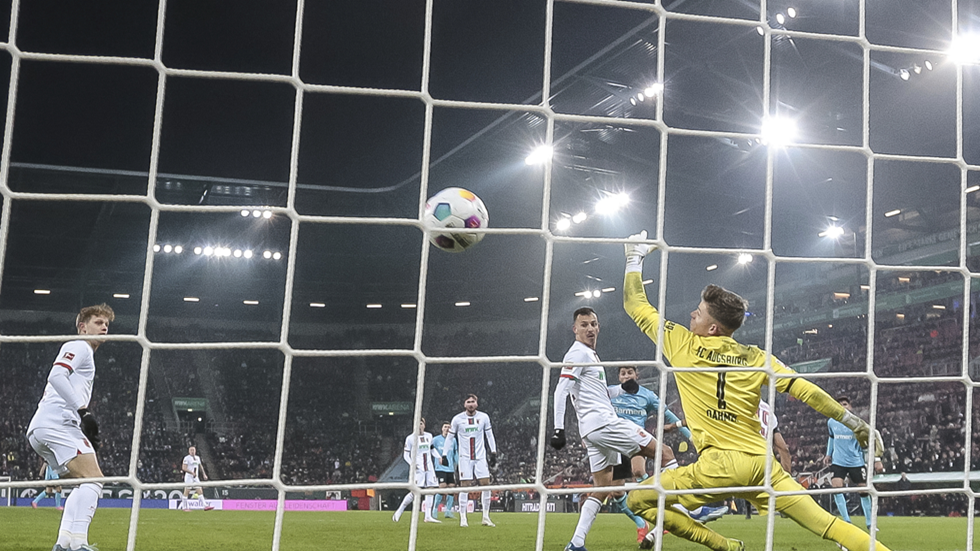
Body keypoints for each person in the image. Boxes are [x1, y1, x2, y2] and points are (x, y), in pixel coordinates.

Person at [621, 231, 890, 551]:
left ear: (712, 328)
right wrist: (855, 422)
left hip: (716, 468)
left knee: (638, 499)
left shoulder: (682, 344)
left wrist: (633, 259)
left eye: (699, 311)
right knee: (829, 526)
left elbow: (635, 305)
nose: (692, 313)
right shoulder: (755, 358)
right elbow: (805, 390)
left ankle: (723, 545)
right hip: (761, 468)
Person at [550, 307, 677, 551]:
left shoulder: (590, 355)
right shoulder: (578, 353)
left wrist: (621, 389)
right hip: (604, 423)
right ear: (574, 329)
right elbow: (560, 389)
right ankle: (686, 508)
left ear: (598, 327)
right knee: (666, 453)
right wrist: (558, 429)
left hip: (592, 430)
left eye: (593, 324)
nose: (589, 329)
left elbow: (595, 393)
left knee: (603, 486)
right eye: (584, 325)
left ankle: (576, 544)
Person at [26, 303, 115, 551]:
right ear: (82, 327)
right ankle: (79, 544)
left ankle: (63, 542)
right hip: (58, 423)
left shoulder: (85, 352)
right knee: (95, 480)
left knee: (82, 483)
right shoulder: (80, 346)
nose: (105, 327)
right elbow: (56, 376)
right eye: (98, 322)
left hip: (42, 428)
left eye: (106, 323)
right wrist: (83, 411)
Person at [609, 365, 727, 541]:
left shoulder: (647, 395)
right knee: (616, 493)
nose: (626, 376)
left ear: (637, 375)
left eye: (630, 372)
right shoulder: (611, 393)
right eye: (623, 373)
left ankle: (672, 505)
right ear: (619, 377)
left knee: (639, 471)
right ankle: (642, 524)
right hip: (613, 443)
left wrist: (690, 436)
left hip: (637, 440)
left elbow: (668, 415)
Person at [823, 396, 884, 530]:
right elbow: (831, 438)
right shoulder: (831, 422)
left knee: (863, 491)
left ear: (850, 407)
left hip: (856, 461)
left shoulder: (858, 423)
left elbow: (869, 441)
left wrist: (876, 460)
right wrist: (828, 454)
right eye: (839, 404)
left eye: (845, 404)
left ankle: (870, 523)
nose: (842, 406)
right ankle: (847, 521)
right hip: (838, 461)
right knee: (836, 488)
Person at [442, 394, 497, 527]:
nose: (471, 404)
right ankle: (463, 518)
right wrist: (444, 454)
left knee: (486, 484)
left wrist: (493, 452)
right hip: (465, 458)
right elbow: (449, 438)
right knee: (464, 486)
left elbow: (489, 435)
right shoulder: (457, 419)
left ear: (477, 404)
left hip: (480, 457)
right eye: (468, 402)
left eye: (473, 402)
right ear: (464, 404)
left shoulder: (484, 417)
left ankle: (485, 516)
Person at [392, 418, 440, 523]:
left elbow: (431, 449)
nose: (419, 425)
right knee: (415, 491)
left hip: (429, 467)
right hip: (419, 468)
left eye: (421, 423)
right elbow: (406, 454)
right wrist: (412, 465)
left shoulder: (429, 436)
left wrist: (439, 457)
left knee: (431, 490)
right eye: (417, 423)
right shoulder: (410, 438)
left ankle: (428, 516)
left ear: (424, 425)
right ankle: (399, 511)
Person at [431, 421, 458, 519]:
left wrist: (458, 464)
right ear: (442, 428)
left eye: (449, 427)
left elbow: (455, 453)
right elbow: (430, 450)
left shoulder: (453, 440)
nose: (447, 429)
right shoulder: (435, 440)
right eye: (445, 427)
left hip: (450, 468)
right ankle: (434, 510)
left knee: (451, 488)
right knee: (442, 487)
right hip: (440, 468)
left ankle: (448, 511)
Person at [758, 399, 792, 474]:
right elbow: (783, 448)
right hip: (764, 463)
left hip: (739, 461)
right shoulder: (767, 409)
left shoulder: (734, 404)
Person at [180, 446, 214, 511]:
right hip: (189, 477)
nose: (192, 451)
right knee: (187, 491)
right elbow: (183, 468)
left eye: (193, 450)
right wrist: (191, 472)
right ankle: (184, 507)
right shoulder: (186, 458)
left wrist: (204, 474)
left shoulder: (197, 458)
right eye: (191, 450)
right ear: (189, 451)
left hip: (196, 477)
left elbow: (200, 466)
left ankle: (205, 506)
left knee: (200, 491)